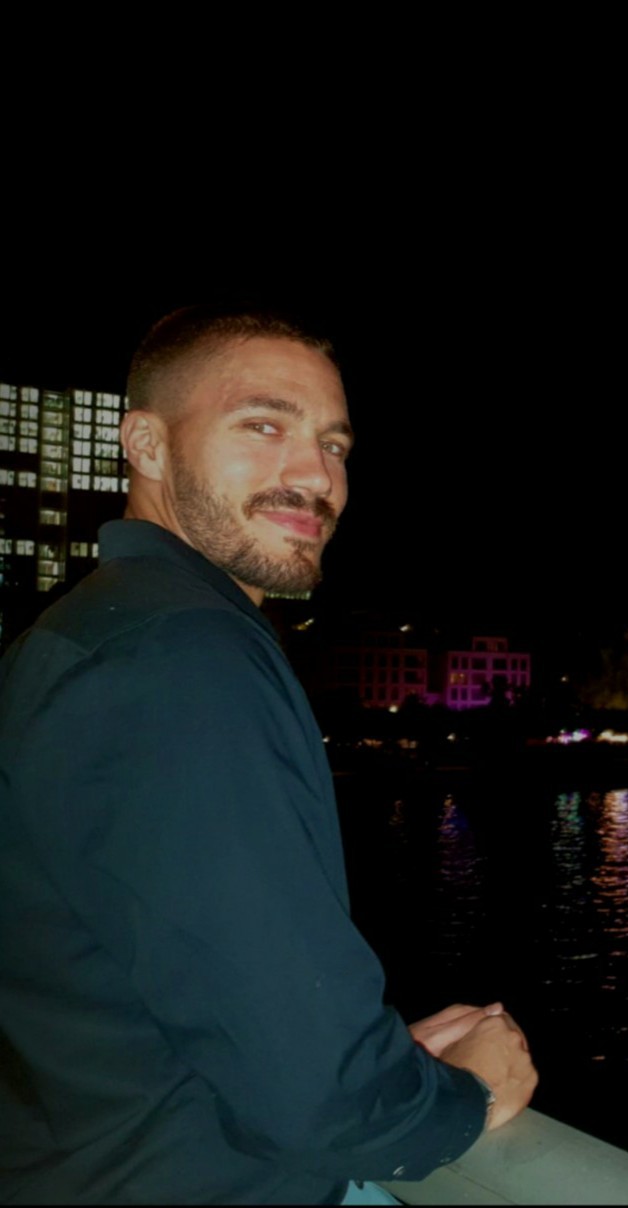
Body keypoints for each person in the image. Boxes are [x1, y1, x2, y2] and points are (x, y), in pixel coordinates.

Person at [0, 306, 537, 1205]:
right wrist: (464, 1093)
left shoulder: (81, 634)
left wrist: (357, 1048)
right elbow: (329, 1108)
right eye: (263, 426)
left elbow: (138, 982)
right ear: (146, 445)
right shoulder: (184, 658)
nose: (316, 475)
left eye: (335, 444)